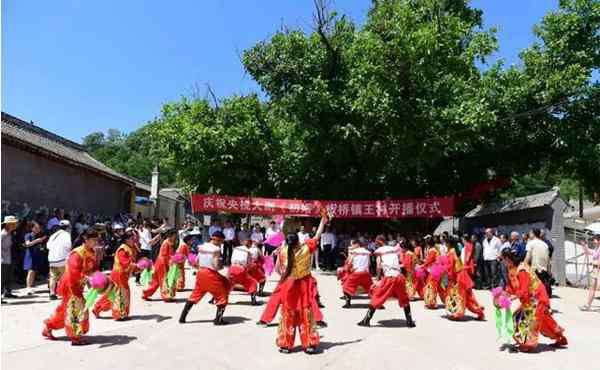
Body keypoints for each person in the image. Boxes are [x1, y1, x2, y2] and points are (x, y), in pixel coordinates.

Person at [275, 214, 327, 354]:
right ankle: (309, 344)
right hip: (303, 286)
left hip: (289, 286)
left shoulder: (282, 251)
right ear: (298, 241)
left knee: (288, 314)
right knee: (306, 314)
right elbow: (317, 235)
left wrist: (286, 277)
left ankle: (285, 344)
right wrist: (323, 220)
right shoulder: (305, 249)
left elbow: (278, 270)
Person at [500, 249, 567, 352]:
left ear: (508, 259)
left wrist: (514, 297)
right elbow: (512, 285)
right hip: (530, 299)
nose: (502, 262)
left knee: (527, 321)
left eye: (503, 259)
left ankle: (528, 344)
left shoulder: (522, 270)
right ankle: (560, 338)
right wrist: (506, 293)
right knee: (545, 322)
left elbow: (524, 289)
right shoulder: (512, 268)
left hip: (537, 298)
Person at [42, 229, 99, 345]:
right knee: (76, 310)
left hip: (79, 285)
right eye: (93, 240)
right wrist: (88, 278)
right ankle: (75, 337)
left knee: (65, 310)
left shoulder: (91, 252)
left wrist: (97, 278)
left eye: (96, 240)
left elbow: (93, 269)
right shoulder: (77, 253)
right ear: (86, 240)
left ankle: (48, 327)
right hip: (71, 285)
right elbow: (74, 272)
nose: (95, 242)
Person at [357, 235, 415, 328]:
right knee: (404, 299)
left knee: (376, 296)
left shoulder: (380, 252)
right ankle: (409, 321)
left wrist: (378, 278)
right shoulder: (393, 249)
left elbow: (379, 267)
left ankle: (366, 320)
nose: (375, 244)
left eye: (376, 242)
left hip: (389, 278)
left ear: (380, 242)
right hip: (399, 277)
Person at [179, 231, 231, 325]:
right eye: (220, 241)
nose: (221, 244)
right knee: (222, 295)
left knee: (195, 295)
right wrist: (221, 266)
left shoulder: (202, 247)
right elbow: (216, 266)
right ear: (216, 239)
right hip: (210, 274)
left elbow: (196, 262)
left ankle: (182, 317)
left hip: (201, 273)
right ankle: (218, 320)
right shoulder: (216, 249)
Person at [93, 230, 139, 320]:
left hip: (123, 275)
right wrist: (136, 266)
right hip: (119, 275)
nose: (134, 240)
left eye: (134, 238)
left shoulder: (130, 247)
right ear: (126, 239)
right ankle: (119, 314)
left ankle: (98, 308)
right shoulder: (123, 249)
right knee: (120, 294)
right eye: (132, 238)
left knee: (114, 294)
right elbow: (124, 263)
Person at [443, 238, 484, 320]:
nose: (445, 244)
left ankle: (458, 313)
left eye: (445, 243)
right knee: (468, 295)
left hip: (458, 276)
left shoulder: (451, 251)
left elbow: (451, 266)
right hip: (461, 274)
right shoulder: (454, 250)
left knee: (460, 295)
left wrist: (450, 276)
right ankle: (479, 311)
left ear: (448, 243)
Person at [142, 229, 178, 302]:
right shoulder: (166, 242)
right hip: (162, 263)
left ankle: (145, 293)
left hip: (161, 263)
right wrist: (172, 260)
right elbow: (164, 255)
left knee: (155, 281)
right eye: (174, 235)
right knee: (163, 279)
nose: (176, 236)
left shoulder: (170, 242)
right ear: (171, 235)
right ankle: (166, 296)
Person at [228, 236, 260, 305]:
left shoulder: (235, 248)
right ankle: (253, 300)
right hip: (240, 269)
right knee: (253, 283)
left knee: (228, 284)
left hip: (232, 268)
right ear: (249, 244)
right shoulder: (248, 251)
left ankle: (214, 299)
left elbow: (231, 259)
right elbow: (248, 264)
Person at [341, 238, 372, 308]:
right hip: (366, 273)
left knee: (345, 287)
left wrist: (348, 269)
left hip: (356, 273)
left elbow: (349, 262)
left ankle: (348, 303)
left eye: (354, 244)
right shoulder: (367, 252)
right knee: (371, 288)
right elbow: (369, 264)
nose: (352, 245)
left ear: (358, 244)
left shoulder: (354, 251)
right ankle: (377, 303)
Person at [47, 220, 72, 300]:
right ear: (68, 227)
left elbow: (48, 246)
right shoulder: (66, 234)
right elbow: (68, 246)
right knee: (65, 276)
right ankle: (64, 293)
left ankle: (52, 293)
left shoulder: (53, 235)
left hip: (52, 259)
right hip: (62, 259)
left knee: (53, 277)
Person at [525, 228, 553, 298]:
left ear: (533, 234)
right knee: (542, 291)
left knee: (534, 291)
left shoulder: (530, 243)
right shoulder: (545, 244)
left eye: (530, 233)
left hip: (535, 269)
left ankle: (536, 306)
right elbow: (548, 260)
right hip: (544, 270)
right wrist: (549, 271)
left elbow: (528, 257)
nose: (529, 234)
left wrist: (523, 265)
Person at [23, 221, 48, 295]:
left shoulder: (39, 235)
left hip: (36, 255)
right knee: (30, 272)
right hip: (30, 256)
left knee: (33, 272)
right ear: (32, 228)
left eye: (39, 228)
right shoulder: (28, 235)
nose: (38, 229)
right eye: (36, 228)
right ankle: (28, 287)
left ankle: (30, 286)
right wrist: (37, 241)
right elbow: (27, 244)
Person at [422, 238, 445, 309]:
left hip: (435, 270)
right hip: (438, 269)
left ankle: (432, 303)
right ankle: (446, 300)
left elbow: (429, 261)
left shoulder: (432, 250)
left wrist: (422, 265)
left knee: (431, 286)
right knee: (439, 287)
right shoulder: (436, 249)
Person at [579, 235, 600, 311]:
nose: (593, 242)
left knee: (593, 288)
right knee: (592, 288)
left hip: (597, 271)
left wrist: (592, 263)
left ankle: (588, 305)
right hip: (595, 271)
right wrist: (584, 245)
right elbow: (587, 252)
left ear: (599, 241)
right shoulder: (596, 249)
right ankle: (588, 305)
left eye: (594, 240)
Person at [1, 215, 19, 301]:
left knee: (8, 277)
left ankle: (7, 292)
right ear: (8, 224)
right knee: (2, 279)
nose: (15, 225)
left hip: (8, 259)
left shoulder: (9, 234)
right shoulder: (3, 234)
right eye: (13, 224)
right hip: (3, 260)